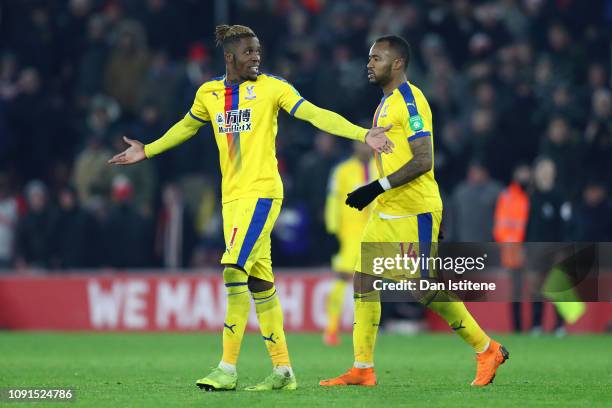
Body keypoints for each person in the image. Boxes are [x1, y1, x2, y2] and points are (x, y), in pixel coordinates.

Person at [109, 24, 393, 392]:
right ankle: (283, 371)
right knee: (260, 284)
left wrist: (361, 133)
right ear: (229, 57)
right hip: (232, 200)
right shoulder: (208, 93)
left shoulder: (273, 88)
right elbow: (185, 127)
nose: (256, 57)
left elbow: (314, 114)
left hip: (262, 195)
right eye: (248, 52)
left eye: (258, 50)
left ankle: (227, 368)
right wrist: (147, 149)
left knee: (232, 269)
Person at [320, 35, 508, 388]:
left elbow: (424, 160)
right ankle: (362, 367)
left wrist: (375, 187)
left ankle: (487, 349)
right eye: (369, 58)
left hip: (415, 211)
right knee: (363, 282)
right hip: (387, 211)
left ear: (398, 63)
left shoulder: (410, 100)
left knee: (423, 289)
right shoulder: (385, 103)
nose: (369, 64)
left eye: (377, 58)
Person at [323, 141, 376, 345]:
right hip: (349, 232)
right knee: (344, 276)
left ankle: (368, 328)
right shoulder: (343, 170)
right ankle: (331, 329)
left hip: (375, 230)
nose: (365, 148)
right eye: (361, 143)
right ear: (354, 146)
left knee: (370, 280)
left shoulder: (379, 167)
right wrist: (332, 229)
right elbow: (333, 199)